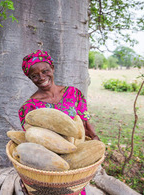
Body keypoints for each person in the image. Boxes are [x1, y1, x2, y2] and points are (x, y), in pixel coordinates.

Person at [18, 50, 100, 195]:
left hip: (74, 168)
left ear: (53, 68)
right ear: (30, 78)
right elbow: (32, 142)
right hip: (49, 171)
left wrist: (95, 140)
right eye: (34, 76)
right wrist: (27, 179)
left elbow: (85, 123)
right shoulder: (28, 108)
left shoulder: (74, 94)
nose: (41, 77)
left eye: (45, 71)